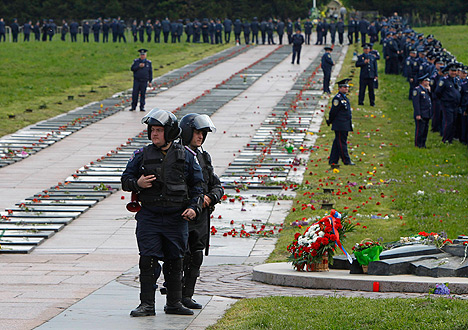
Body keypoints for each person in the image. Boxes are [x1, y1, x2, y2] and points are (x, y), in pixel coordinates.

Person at [121, 109, 204, 317]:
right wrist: (137, 184)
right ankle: (147, 304)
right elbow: (125, 180)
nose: (154, 134)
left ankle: (174, 302)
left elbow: (198, 187)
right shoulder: (141, 155)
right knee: (147, 260)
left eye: (159, 130)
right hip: (150, 217)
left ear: (170, 132)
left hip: (177, 218)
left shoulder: (186, 156)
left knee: (175, 260)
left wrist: (194, 208)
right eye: (152, 130)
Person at [179, 113, 224, 310]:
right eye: (197, 132)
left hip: (202, 215)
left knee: (196, 255)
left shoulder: (203, 157)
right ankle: (175, 295)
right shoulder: (178, 155)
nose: (200, 137)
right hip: (184, 213)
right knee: (179, 257)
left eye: (203, 133)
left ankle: (187, 294)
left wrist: (209, 198)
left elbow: (217, 185)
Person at [327, 79, 355, 166]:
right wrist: (330, 121)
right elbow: (333, 111)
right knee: (341, 143)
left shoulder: (344, 97)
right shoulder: (337, 99)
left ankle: (333, 160)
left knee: (337, 142)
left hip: (344, 124)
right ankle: (346, 160)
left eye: (347, 87)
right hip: (340, 125)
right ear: (339, 88)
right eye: (344, 87)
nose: (347, 88)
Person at [435, 63, 462, 144]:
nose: (453, 73)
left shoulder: (456, 80)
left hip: (455, 105)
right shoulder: (444, 80)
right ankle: (445, 139)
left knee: (454, 122)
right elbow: (438, 92)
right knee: (448, 122)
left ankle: (450, 139)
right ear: (449, 71)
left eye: (455, 71)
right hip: (447, 104)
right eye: (452, 71)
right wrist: (445, 99)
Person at [412, 73, 432, 148]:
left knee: (425, 130)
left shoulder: (426, 90)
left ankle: (423, 144)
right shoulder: (417, 90)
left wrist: (430, 91)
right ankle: (418, 144)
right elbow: (416, 103)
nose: (428, 83)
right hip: (421, 113)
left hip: (427, 113)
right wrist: (418, 114)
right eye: (426, 81)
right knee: (420, 130)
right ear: (423, 82)